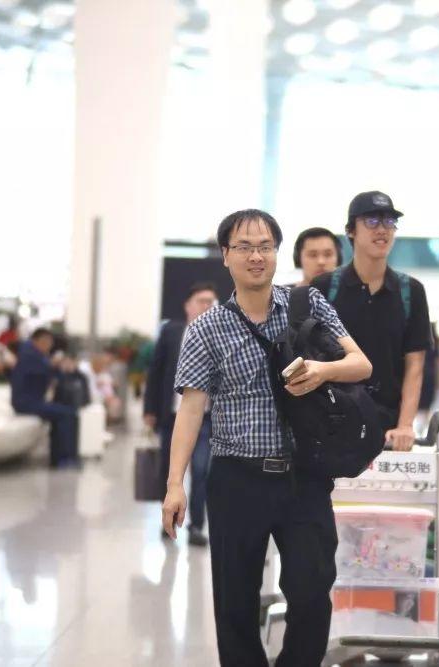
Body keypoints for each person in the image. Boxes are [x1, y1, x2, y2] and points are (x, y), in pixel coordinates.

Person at [161, 209, 371, 667]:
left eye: (265, 247)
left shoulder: (306, 305)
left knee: (312, 592)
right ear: (226, 255)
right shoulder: (206, 328)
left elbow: (361, 364)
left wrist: (322, 371)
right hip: (236, 478)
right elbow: (191, 409)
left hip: (304, 476)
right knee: (234, 602)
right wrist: (175, 484)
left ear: (276, 252)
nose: (256, 256)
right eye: (244, 247)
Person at [312, 190, 431, 451]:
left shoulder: (411, 291)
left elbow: (415, 365)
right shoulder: (324, 288)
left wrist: (405, 425)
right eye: (372, 221)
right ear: (350, 231)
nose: (382, 230)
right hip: (332, 422)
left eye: (389, 221)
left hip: (388, 428)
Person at [144, 282, 217, 547]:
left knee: (201, 471)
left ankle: (196, 526)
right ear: (188, 305)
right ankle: (169, 521)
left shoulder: (220, 334)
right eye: (201, 301)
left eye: (211, 301)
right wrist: (150, 409)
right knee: (171, 471)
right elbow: (156, 370)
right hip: (172, 416)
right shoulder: (172, 331)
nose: (206, 306)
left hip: (205, 418)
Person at [10, 328, 80, 468]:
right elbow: (47, 370)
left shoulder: (35, 354)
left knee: (64, 412)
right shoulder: (29, 354)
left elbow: (51, 373)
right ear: (38, 341)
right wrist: (55, 365)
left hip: (32, 401)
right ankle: (64, 458)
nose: (49, 345)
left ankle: (59, 457)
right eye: (46, 342)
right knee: (68, 414)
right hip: (26, 403)